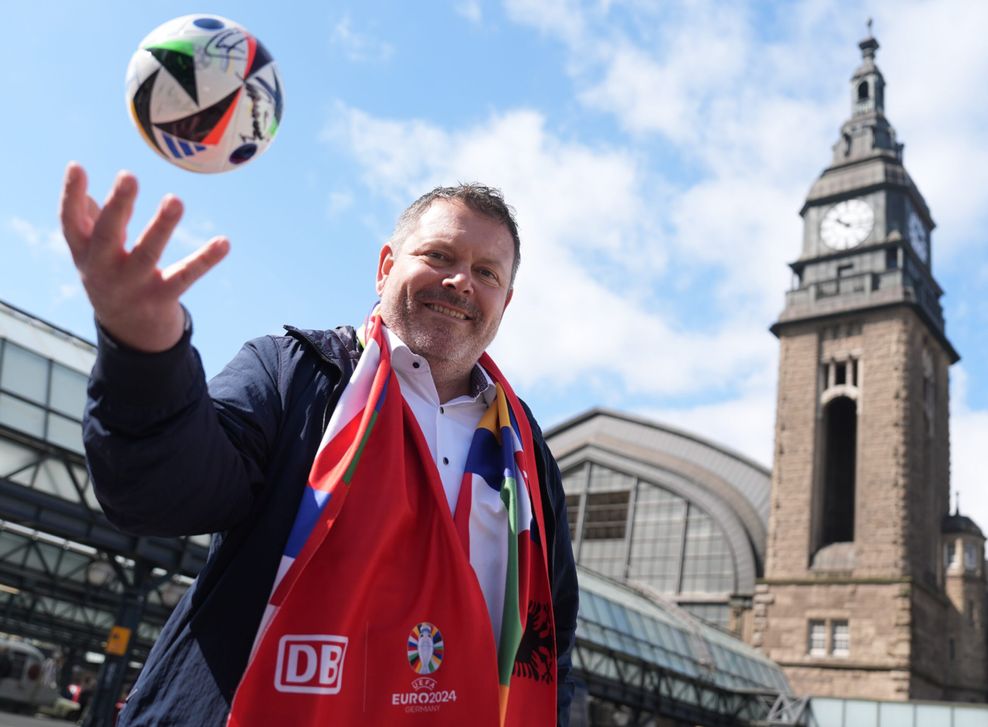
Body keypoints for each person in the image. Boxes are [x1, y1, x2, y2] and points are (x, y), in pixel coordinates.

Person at [60, 163, 578, 726]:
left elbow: (552, 640)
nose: (461, 281)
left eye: (486, 272)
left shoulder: (526, 453)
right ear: (385, 268)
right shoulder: (292, 374)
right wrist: (144, 353)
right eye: (439, 256)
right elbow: (159, 494)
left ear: (505, 301)